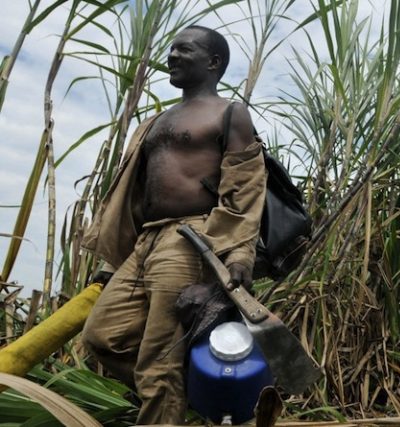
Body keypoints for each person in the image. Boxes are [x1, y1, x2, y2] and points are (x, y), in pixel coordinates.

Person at [81, 25, 266, 425]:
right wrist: (112, 263)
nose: (173, 56)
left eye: (185, 50)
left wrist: (239, 258)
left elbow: (245, 192)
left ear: (214, 63)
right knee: (102, 336)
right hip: (145, 241)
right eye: (172, 49)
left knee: (158, 362)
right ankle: (192, 393)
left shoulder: (229, 113)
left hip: (190, 238)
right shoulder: (155, 122)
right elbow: (132, 197)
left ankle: (166, 396)